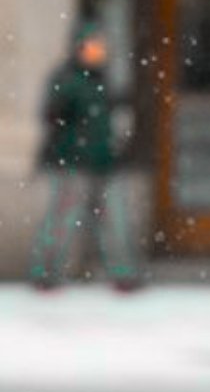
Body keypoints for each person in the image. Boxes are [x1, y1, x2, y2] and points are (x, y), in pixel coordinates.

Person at [28, 19, 141, 291]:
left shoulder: (105, 79)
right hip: (73, 163)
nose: (98, 51)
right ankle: (46, 272)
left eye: (100, 46)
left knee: (116, 221)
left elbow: (114, 118)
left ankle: (124, 272)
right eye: (93, 46)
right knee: (61, 220)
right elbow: (52, 117)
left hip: (105, 163)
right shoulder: (66, 78)